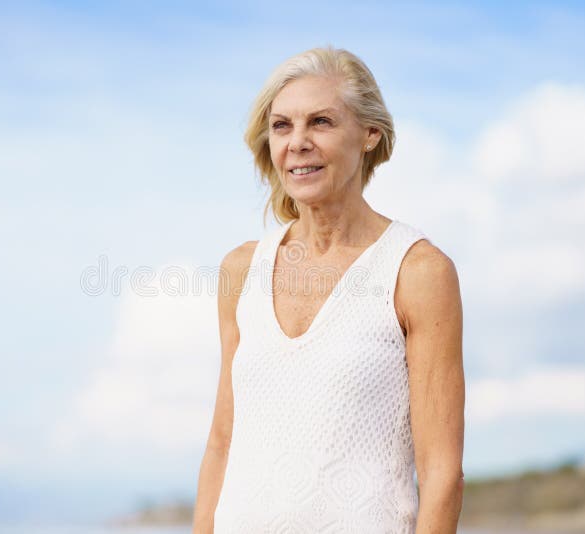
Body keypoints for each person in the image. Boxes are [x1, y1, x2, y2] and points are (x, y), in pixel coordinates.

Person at [192, 45, 464, 533]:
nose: (297, 142)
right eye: (282, 126)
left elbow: (441, 474)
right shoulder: (241, 269)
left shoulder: (418, 271)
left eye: (320, 122)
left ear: (369, 134)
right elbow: (222, 441)